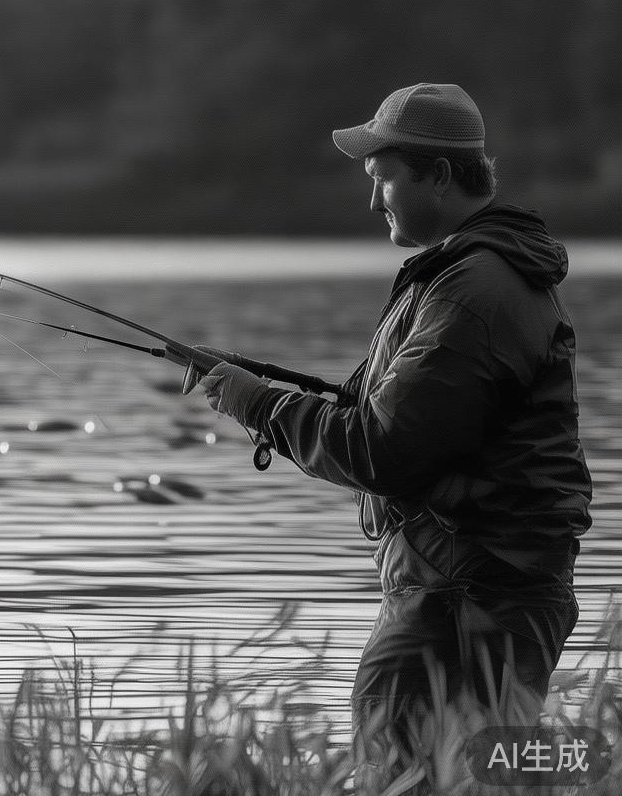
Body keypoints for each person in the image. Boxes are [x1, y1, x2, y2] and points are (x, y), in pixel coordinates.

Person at [195, 83, 593, 777]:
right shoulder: (472, 275)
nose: (374, 200)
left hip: (463, 598)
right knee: (486, 778)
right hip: (476, 587)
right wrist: (262, 390)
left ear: (438, 175)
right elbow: (398, 413)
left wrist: (260, 408)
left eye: (384, 179)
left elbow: (384, 450)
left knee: (400, 774)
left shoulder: (476, 291)